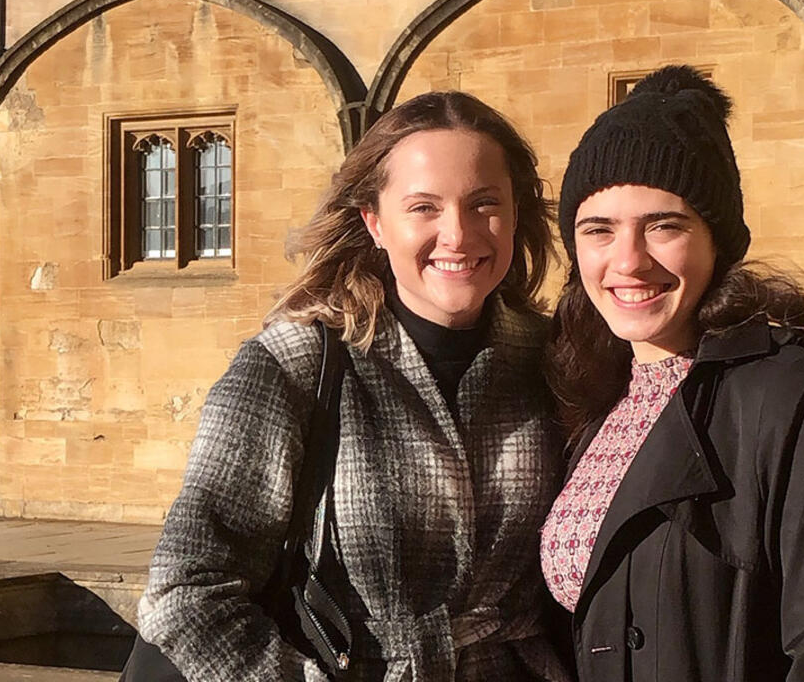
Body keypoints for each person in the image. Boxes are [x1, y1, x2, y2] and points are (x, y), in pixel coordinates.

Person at [134, 90, 573, 681]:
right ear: (375, 222)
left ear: (516, 213)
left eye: (484, 202)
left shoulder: (554, 362)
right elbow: (186, 592)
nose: (459, 234)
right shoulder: (294, 364)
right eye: (424, 207)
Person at [540, 65, 804, 682]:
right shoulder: (591, 394)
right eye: (599, 229)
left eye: (664, 225)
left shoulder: (794, 390)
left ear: (718, 240)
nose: (628, 260)